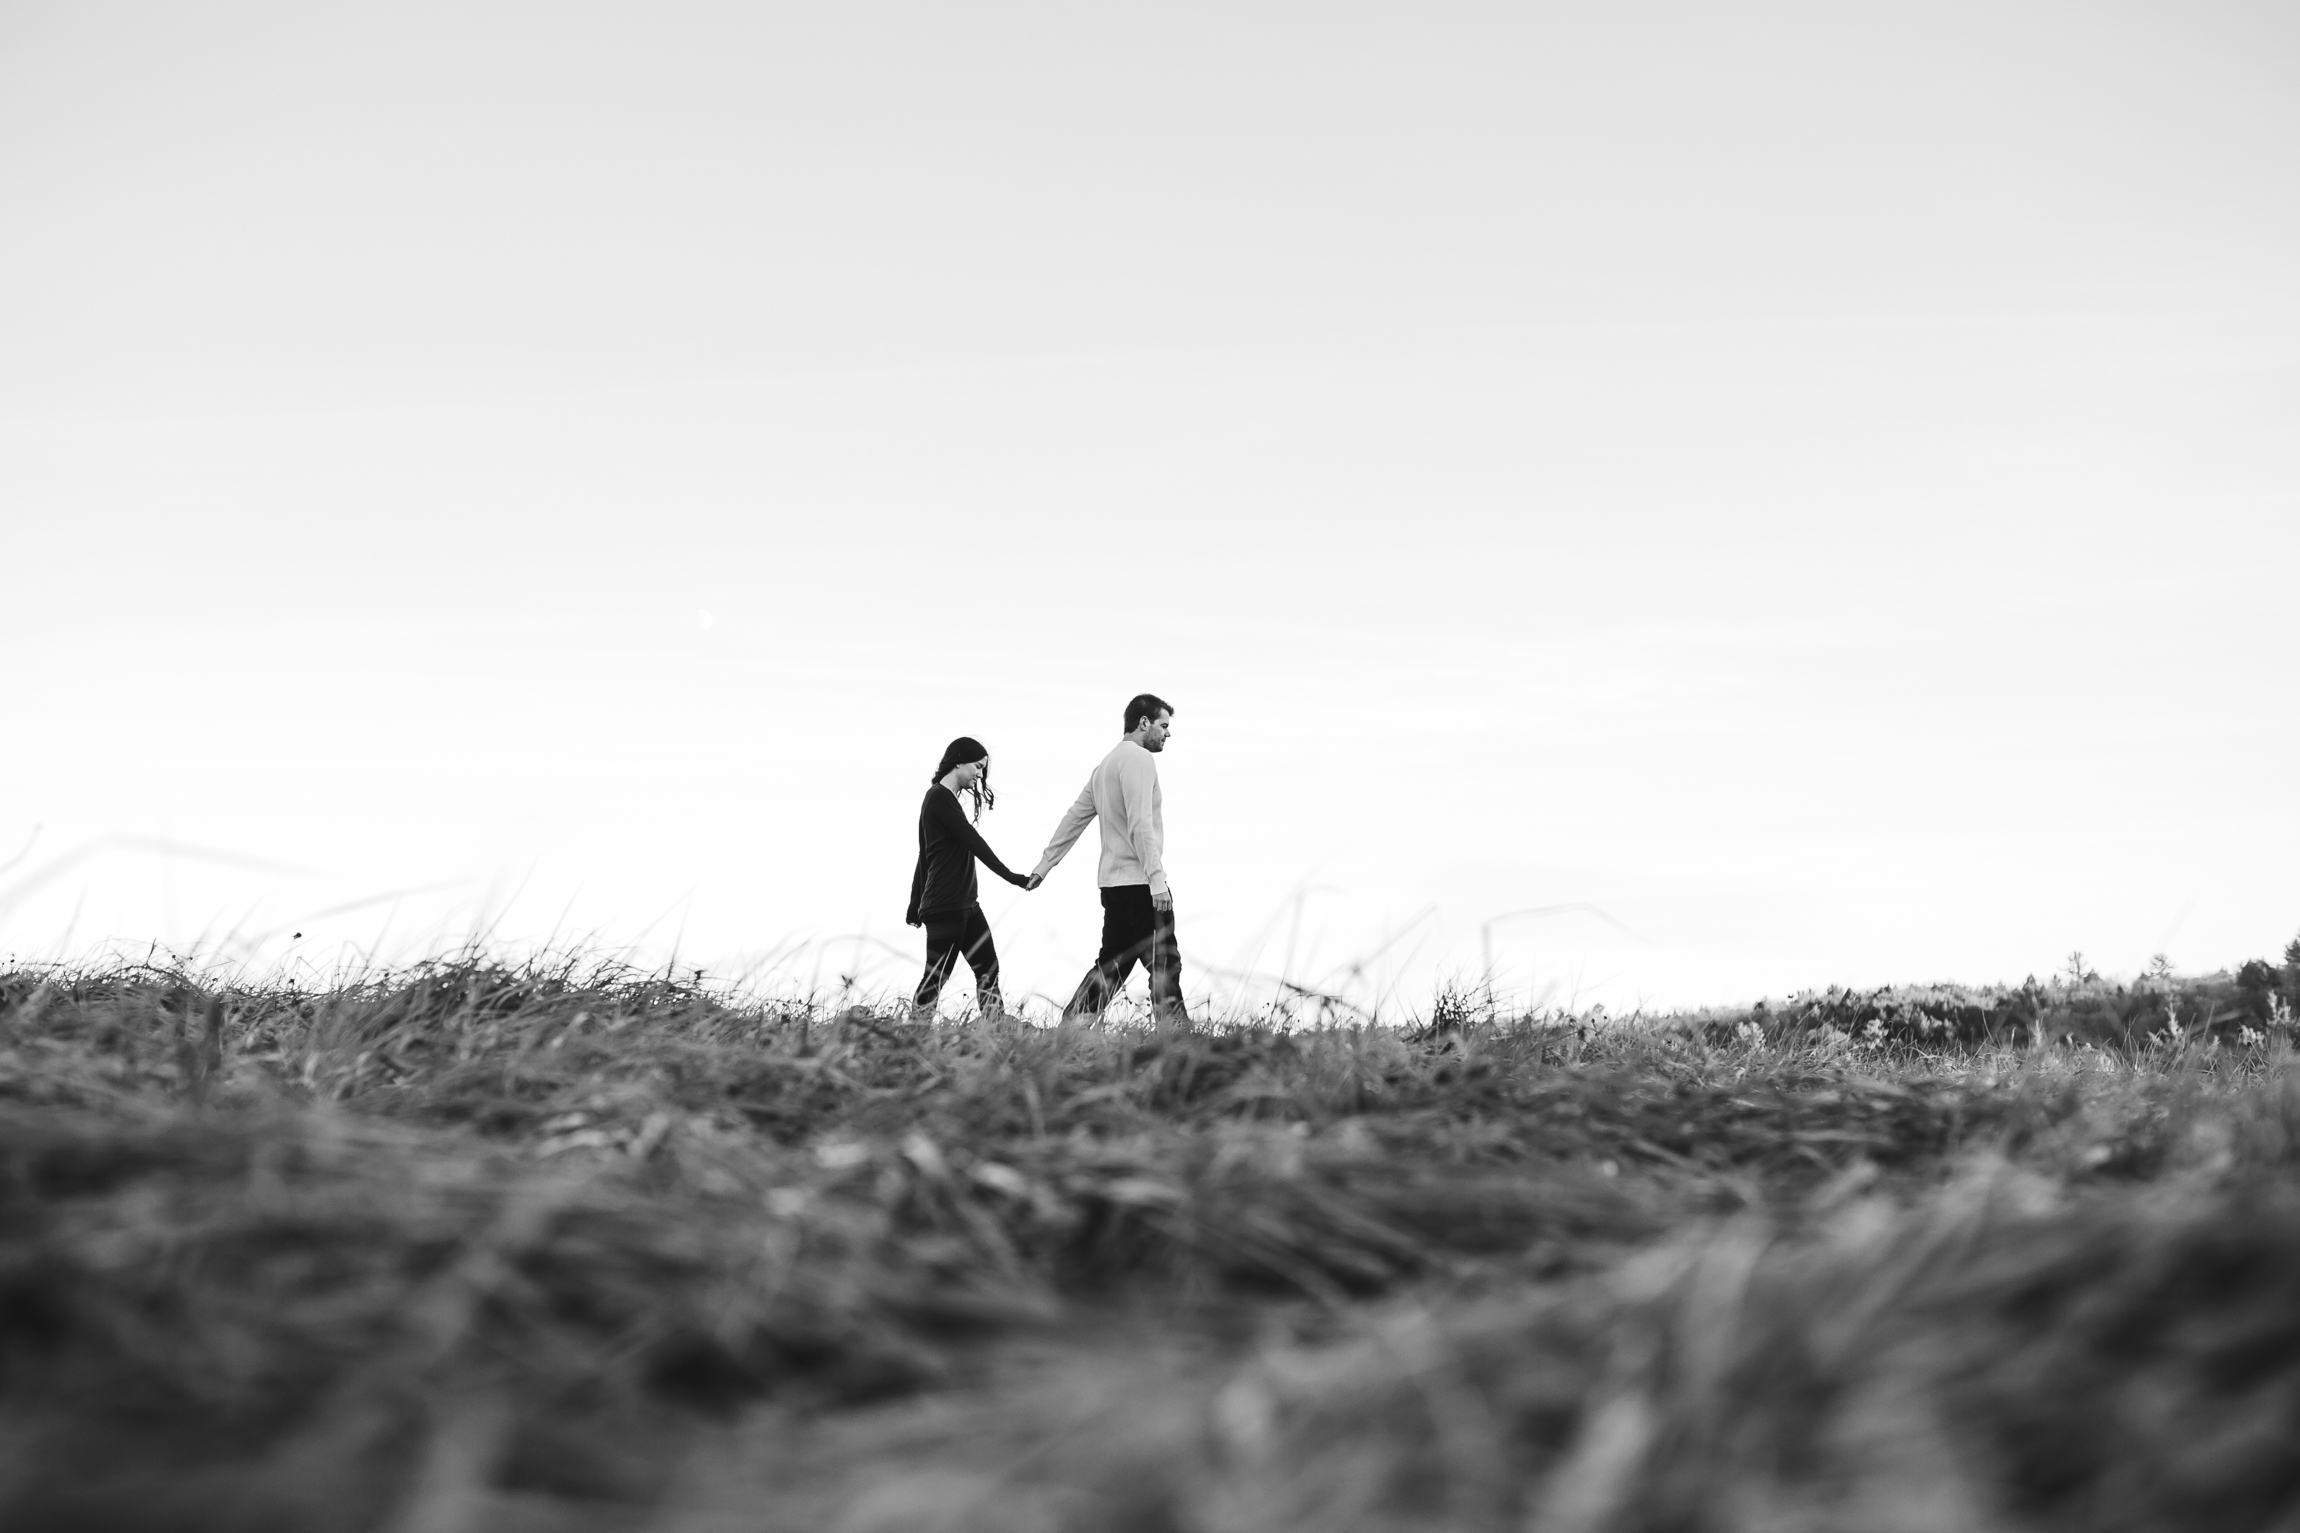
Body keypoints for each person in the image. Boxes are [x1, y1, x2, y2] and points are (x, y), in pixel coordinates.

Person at [1030, 694, 1191, 1025]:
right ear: (1143, 723)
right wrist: (1157, 881)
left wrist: (1043, 866)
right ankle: (1176, 1040)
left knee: (1112, 964)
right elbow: (1141, 825)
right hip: (1141, 883)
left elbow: (1073, 819)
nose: (1167, 734)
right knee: (1164, 963)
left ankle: (1074, 1025)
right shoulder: (1139, 760)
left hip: (1113, 886)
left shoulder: (1105, 766)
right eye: (1163, 726)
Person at [906, 736, 1033, 1018]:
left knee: (988, 969)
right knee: (935, 978)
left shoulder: (944, 800)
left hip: (966, 905)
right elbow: (970, 841)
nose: (979, 774)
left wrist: (915, 905)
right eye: (977, 766)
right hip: (946, 906)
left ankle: (995, 1028)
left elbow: (924, 856)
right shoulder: (938, 797)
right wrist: (1013, 877)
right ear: (958, 761)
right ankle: (913, 1035)